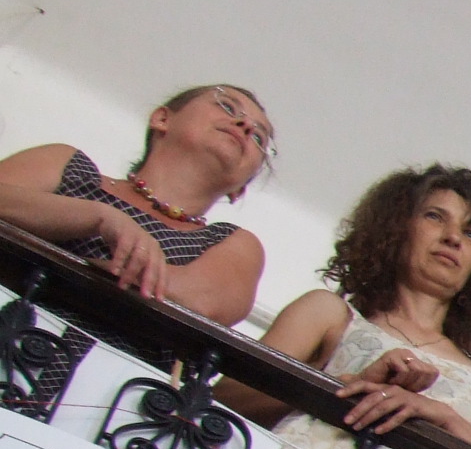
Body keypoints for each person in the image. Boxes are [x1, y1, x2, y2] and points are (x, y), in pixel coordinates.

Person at [237, 166, 471, 449]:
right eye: (435, 216)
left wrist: (445, 419)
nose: (453, 237)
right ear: (397, 228)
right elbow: (229, 396)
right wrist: (347, 387)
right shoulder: (329, 314)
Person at [0, 84, 272, 323]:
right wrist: (97, 216)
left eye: (259, 138)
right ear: (162, 119)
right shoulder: (68, 165)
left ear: (240, 190)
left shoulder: (233, 242)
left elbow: (202, 301)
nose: (246, 126)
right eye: (227, 106)